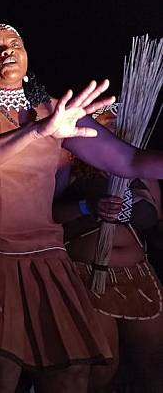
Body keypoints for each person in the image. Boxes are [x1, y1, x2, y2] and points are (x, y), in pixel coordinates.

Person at [0, 23, 163, 392]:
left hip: (46, 259)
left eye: (15, 43)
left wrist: (45, 124)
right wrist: (37, 131)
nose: (7, 50)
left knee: (71, 375)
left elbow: (131, 163)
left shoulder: (51, 111)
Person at [54, 107, 163, 392]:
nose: (111, 126)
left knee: (154, 364)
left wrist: (137, 198)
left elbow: (156, 218)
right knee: (103, 366)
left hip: (137, 275)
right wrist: (87, 207)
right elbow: (49, 215)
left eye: (116, 121)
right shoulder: (69, 166)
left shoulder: (139, 166)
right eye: (105, 121)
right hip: (89, 276)